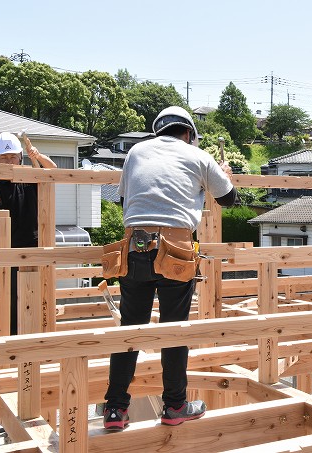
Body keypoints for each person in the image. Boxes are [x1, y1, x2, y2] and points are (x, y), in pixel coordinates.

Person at [102, 106, 237, 430]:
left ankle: (115, 410)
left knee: (131, 330)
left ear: (158, 130)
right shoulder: (199, 156)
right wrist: (224, 174)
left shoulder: (136, 152)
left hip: (134, 246)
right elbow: (229, 199)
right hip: (176, 249)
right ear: (188, 132)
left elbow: (124, 200)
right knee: (174, 330)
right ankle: (175, 405)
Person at [0, 132, 58, 335]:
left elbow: (53, 171)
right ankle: (14, 341)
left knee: (40, 297)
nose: (8, 161)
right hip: (9, 250)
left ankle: (37, 340)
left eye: (12, 156)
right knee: (11, 299)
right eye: (4, 157)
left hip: (35, 246)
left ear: (20, 157)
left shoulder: (30, 176)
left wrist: (36, 156)